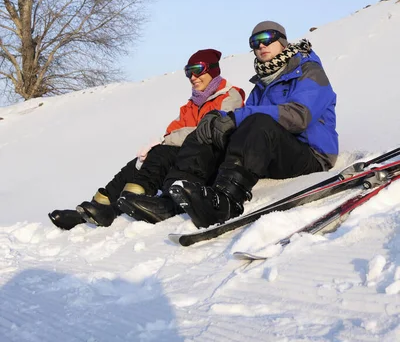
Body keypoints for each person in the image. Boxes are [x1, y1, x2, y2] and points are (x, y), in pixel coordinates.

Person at [128, 21, 338, 229]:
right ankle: (171, 199)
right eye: (254, 42)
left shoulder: (309, 72)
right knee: (206, 130)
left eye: (266, 39)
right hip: (272, 152)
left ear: (282, 41)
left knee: (258, 122)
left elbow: (299, 116)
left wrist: (236, 117)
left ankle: (226, 201)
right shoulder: (262, 84)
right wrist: (217, 124)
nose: (261, 46)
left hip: (311, 155)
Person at [48, 48, 245, 230]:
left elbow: (210, 130)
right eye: (188, 72)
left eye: (197, 70)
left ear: (212, 70)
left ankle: (135, 196)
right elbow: (172, 131)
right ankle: (100, 204)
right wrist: (165, 141)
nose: (192, 77)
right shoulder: (191, 105)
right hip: (184, 153)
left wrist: (168, 140)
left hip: (209, 158)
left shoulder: (230, 96)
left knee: (161, 151)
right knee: (140, 162)